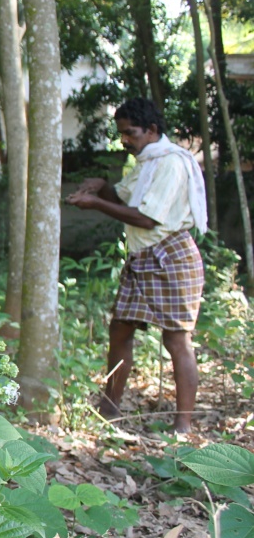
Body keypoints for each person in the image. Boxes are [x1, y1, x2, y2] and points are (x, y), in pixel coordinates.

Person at [66, 98, 208, 433]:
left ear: (152, 130)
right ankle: (109, 409)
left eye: (130, 133)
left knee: (176, 340)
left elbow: (146, 218)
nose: (125, 140)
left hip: (171, 256)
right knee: (120, 329)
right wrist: (102, 187)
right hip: (143, 257)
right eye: (122, 134)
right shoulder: (146, 162)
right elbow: (123, 200)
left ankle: (183, 426)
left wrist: (96, 203)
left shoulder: (170, 163)